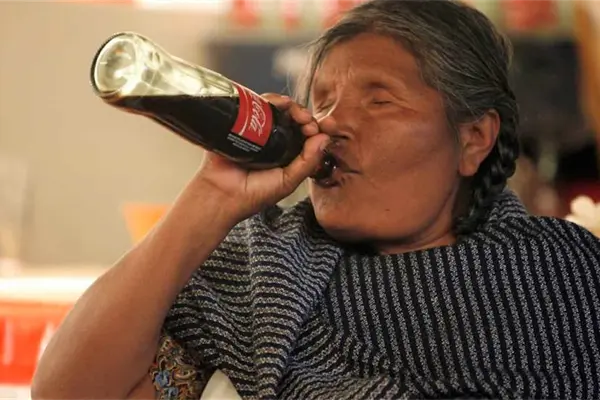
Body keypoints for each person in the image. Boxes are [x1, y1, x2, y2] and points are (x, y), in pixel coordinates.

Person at [32, 0, 600, 398]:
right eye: (322, 101)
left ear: (473, 138)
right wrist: (212, 196)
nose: (332, 125)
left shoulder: (561, 276)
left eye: (379, 101)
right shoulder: (259, 269)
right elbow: (68, 393)